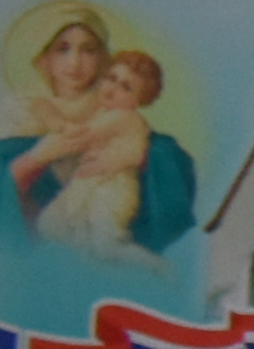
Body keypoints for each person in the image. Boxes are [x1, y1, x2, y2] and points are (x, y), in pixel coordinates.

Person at [14, 44, 171, 252]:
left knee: (104, 246)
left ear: (137, 101)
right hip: (88, 182)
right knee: (51, 226)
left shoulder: (124, 117)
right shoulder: (102, 109)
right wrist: (54, 117)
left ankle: (155, 267)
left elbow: (81, 136)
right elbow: (39, 104)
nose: (112, 89)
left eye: (126, 87)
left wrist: (62, 126)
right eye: (111, 78)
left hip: (112, 189)